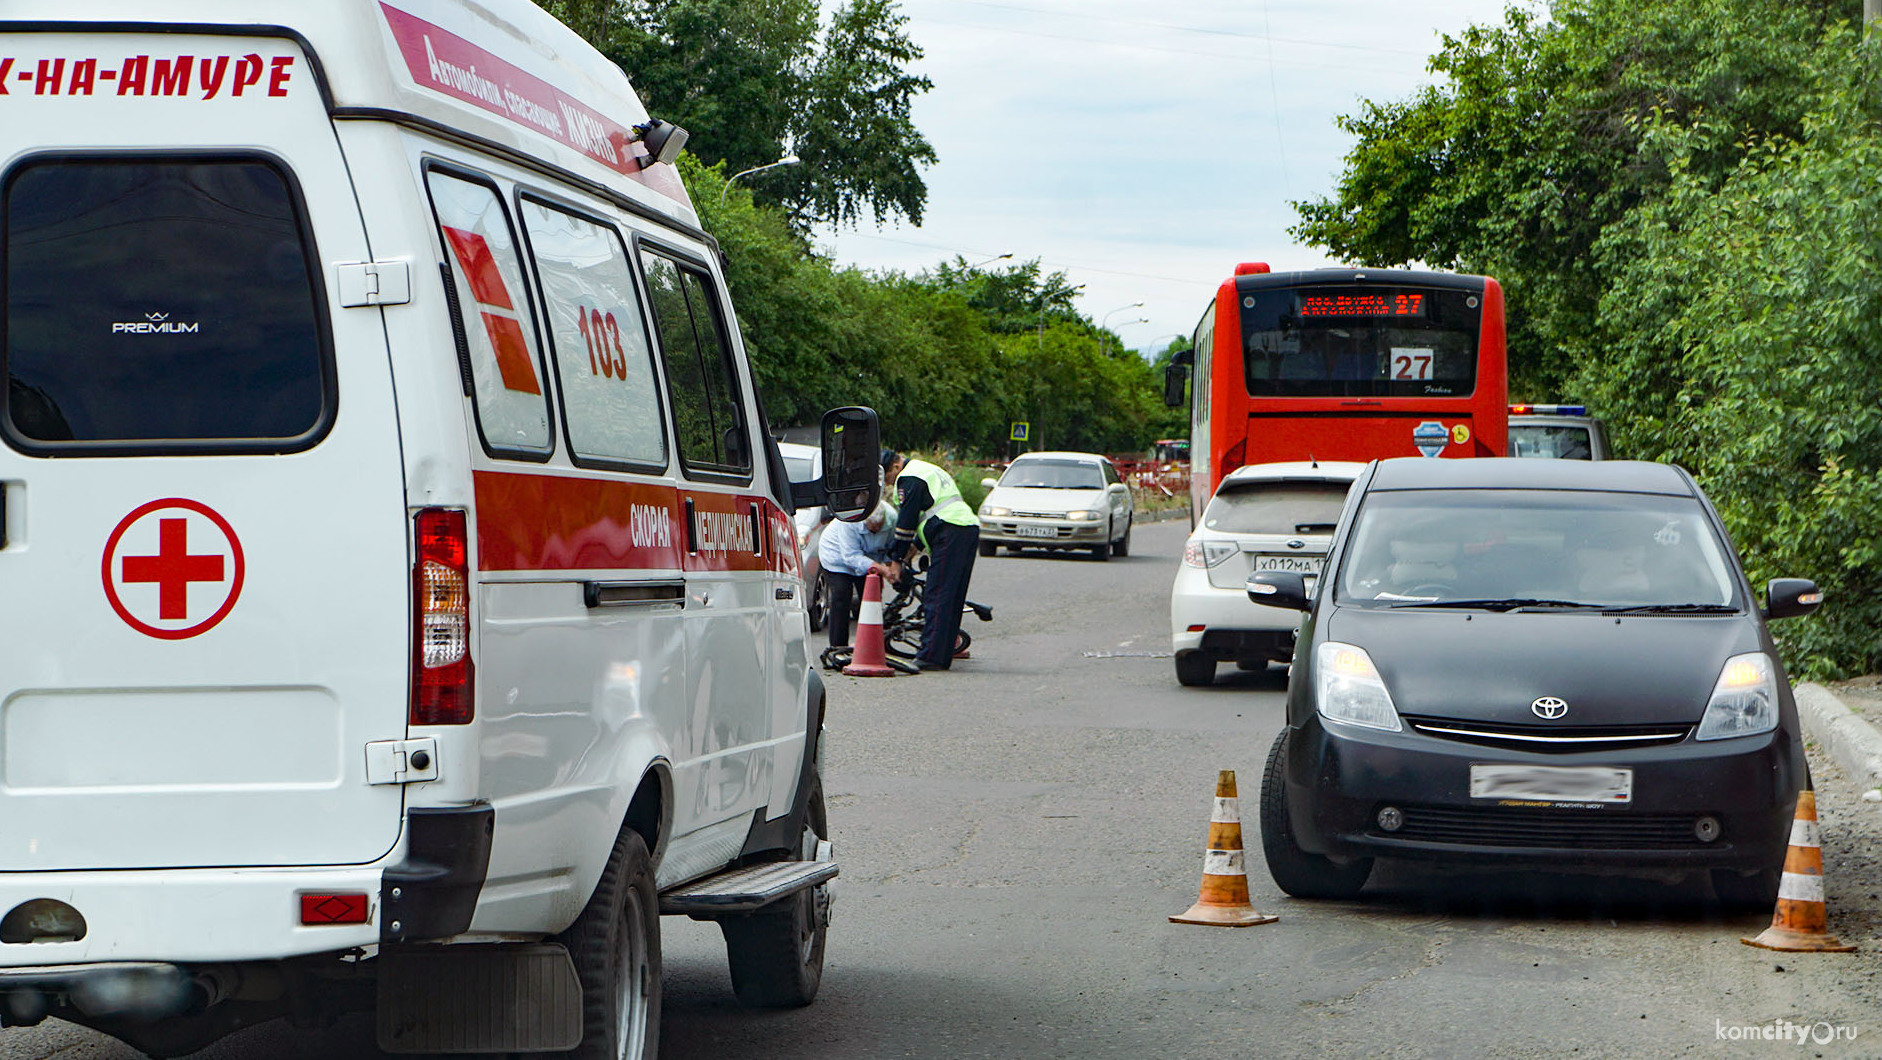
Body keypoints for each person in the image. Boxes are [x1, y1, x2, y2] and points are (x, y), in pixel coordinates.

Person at [880, 449, 980, 671]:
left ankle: (931, 656)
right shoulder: (926, 470)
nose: (888, 485)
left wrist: (896, 560)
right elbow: (932, 510)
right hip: (965, 528)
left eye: (887, 478)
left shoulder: (908, 477)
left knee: (937, 595)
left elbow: (906, 521)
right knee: (952, 596)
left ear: (895, 467)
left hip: (950, 531)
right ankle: (943, 653)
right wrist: (915, 546)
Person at [817, 501, 896, 650]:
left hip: (870, 557)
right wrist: (882, 569)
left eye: (879, 528)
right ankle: (838, 647)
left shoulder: (891, 517)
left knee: (871, 598)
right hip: (838, 556)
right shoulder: (850, 520)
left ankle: (870, 645)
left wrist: (891, 568)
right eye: (872, 529)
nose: (876, 531)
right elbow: (851, 557)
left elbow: (890, 548)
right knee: (841, 596)